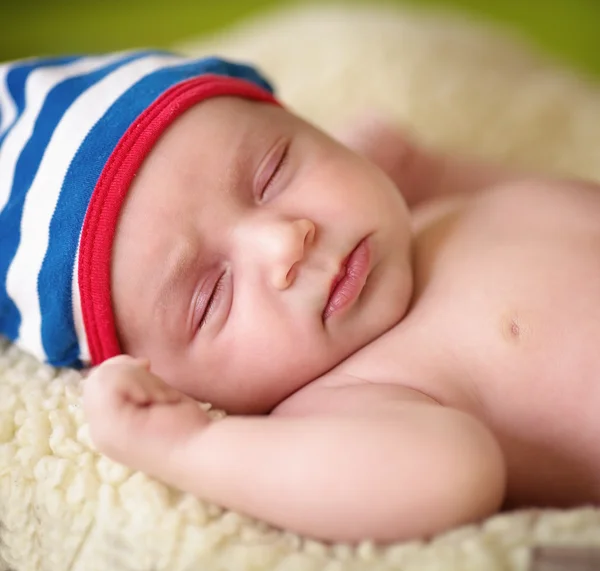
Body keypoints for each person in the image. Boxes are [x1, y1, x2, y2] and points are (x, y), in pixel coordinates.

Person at [2, 50, 599, 544]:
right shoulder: (351, 396)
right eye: (211, 294)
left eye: (274, 171)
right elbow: (452, 476)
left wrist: (426, 170)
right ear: (178, 384)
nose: (285, 240)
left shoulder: (425, 214)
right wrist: (191, 447)